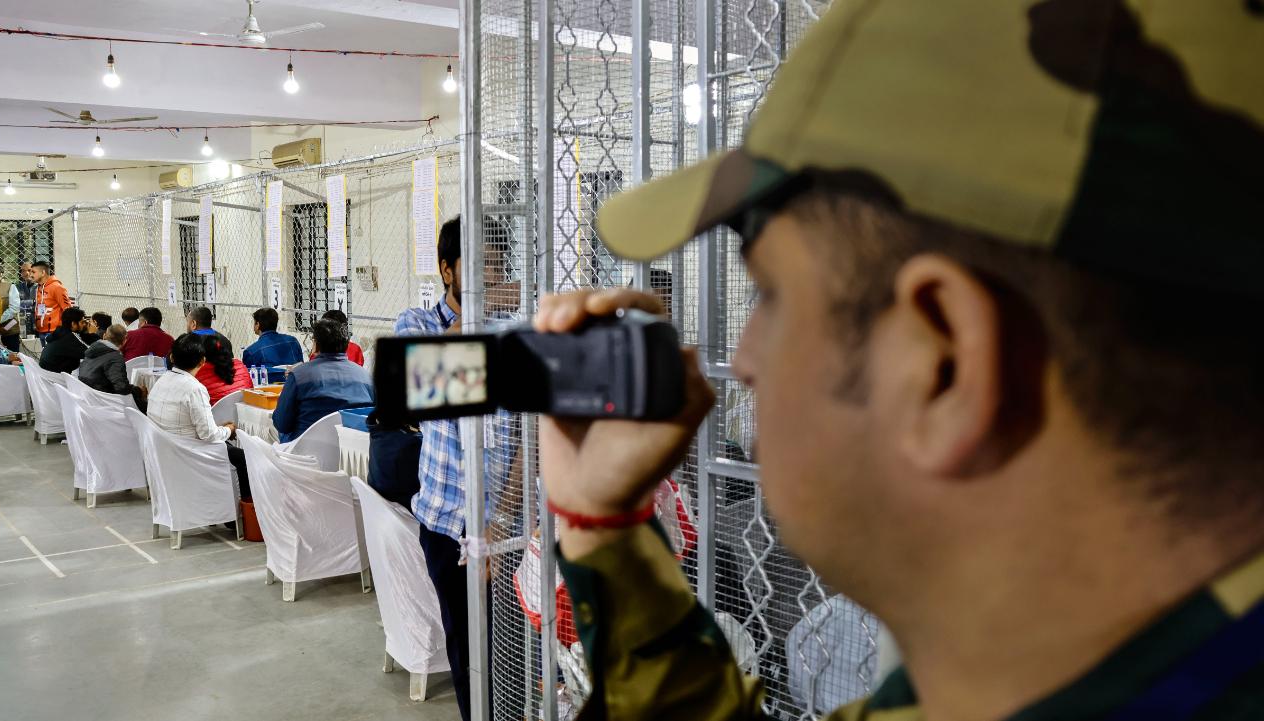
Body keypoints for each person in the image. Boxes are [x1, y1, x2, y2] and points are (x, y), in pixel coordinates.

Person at [534, 4, 1264, 721]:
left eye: (772, 293)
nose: (745, 358)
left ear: (941, 361)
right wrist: (606, 526)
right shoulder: (1042, 670)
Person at [391, 216, 519, 721]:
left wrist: (500, 524)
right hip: (447, 522)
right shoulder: (416, 324)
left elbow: (525, 439)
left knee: (519, 643)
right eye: (479, 264)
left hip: (508, 524)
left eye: (497, 264)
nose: (491, 275)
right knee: (468, 648)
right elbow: (426, 390)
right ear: (446, 269)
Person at [147, 333, 250, 500]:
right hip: (191, 452)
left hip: (164, 451)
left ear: (172, 357)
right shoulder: (194, 388)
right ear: (202, 361)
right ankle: (243, 516)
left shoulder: (161, 381)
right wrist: (228, 429)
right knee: (244, 458)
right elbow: (208, 435)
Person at [271, 317, 374, 443]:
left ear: (316, 345)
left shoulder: (299, 375)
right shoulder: (366, 377)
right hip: (349, 454)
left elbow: (282, 423)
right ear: (346, 344)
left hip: (303, 452)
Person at [78, 324, 147, 412]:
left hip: (88, 399)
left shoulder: (92, 349)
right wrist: (138, 391)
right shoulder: (115, 357)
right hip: (105, 401)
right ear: (125, 341)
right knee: (146, 406)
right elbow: (122, 388)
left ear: (104, 336)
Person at [242, 307, 303, 383]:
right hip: (295, 387)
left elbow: (249, 380)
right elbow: (301, 367)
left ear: (258, 324)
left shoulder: (250, 352)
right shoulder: (293, 341)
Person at [194, 334, 252, 405]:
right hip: (245, 412)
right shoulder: (240, 365)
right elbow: (251, 389)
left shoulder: (198, 373)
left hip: (216, 415)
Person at [38, 308, 98, 374]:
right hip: (57, 379)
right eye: (82, 322)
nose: (84, 325)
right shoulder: (70, 337)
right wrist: (93, 333)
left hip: (46, 377)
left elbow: (82, 339)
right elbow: (92, 352)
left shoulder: (60, 333)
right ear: (73, 324)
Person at [31, 260, 72, 345]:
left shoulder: (57, 287)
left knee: (54, 357)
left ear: (43, 272)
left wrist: (61, 330)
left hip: (54, 332)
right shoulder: (38, 288)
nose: (31, 275)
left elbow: (68, 310)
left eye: (33, 272)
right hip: (42, 331)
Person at [17, 261, 37, 337]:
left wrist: (23, 303)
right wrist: (33, 302)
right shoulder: (17, 287)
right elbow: (15, 305)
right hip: (22, 322)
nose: (27, 273)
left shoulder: (41, 286)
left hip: (38, 323)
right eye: (23, 271)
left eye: (29, 270)